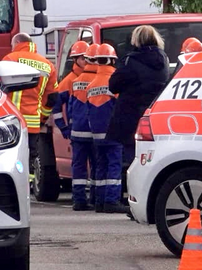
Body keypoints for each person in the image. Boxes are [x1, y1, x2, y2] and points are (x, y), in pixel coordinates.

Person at [108, 25, 170, 187]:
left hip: (130, 115)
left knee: (130, 159)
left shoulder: (131, 61)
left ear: (136, 40)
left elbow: (113, 85)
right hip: (153, 114)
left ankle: (131, 192)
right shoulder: (163, 60)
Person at [0, 34, 56, 170]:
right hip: (33, 124)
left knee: (10, 160)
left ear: (17, 42)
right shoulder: (47, 65)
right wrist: (42, 118)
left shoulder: (11, 59)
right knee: (30, 159)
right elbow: (52, 97)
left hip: (12, 122)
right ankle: (29, 183)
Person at [85, 44, 124, 213]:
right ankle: (111, 201)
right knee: (114, 166)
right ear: (112, 60)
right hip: (113, 133)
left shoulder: (91, 85)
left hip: (96, 134)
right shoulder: (115, 83)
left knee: (101, 166)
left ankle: (100, 202)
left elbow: (89, 111)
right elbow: (121, 108)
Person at [67, 44, 100, 211]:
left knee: (79, 167)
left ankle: (79, 200)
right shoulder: (101, 80)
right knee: (97, 165)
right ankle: (95, 198)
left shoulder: (75, 82)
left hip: (78, 131)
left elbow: (70, 108)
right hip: (95, 132)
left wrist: (68, 127)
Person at [50, 41, 91, 139]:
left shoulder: (95, 77)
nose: (86, 61)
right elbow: (56, 107)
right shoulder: (68, 81)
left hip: (95, 132)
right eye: (83, 59)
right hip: (77, 133)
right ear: (74, 59)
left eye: (88, 58)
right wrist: (62, 127)